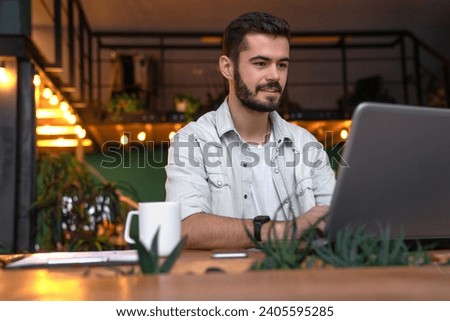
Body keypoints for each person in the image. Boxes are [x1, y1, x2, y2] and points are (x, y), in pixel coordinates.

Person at [165, 12, 336, 250]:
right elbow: (186, 228)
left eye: (282, 64)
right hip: (228, 283)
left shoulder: (307, 144)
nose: (275, 75)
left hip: (299, 282)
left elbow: (336, 221)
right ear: (227, 67)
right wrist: (279, 231)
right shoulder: (193, 140)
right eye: (260, 63)